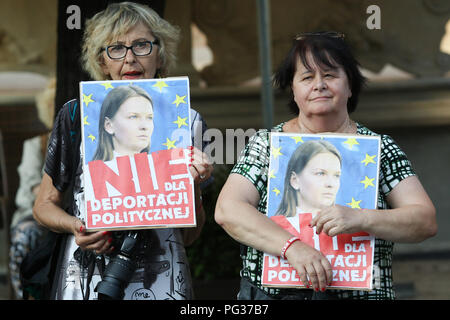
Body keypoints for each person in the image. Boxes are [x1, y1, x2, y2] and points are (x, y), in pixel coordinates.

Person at [215, 31, 437, 300]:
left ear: (350, 86)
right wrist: (292, 247)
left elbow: (425, 220)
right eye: (307, 77)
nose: (319, 85)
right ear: (294, 90)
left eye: (330, 75)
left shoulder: (380, 148)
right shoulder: (267, 145)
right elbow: (228, 210)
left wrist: (362, 218)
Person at [33, 2, 213, 300]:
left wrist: (193, 189)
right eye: (115, 48)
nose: (130, 58)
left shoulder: (188, 121)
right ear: (102, 62)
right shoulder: (76, 115)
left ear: (160, 54)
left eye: (141, 45)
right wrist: (76, 226)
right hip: (88, 280)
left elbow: (190, 237)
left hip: (163, 281)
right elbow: (43, 206)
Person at [9, 77, 55, 299]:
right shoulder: (35, 145)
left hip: (75, 218)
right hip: (36, 217)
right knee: (23, 236)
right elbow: (34, 188)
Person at [275, 140, 342, 217]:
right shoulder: (273, 225)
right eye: (320, 173)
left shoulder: (349, 226)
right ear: (295, 180)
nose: (331, 184)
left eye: (336, 175)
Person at [92, 85, 154, 161]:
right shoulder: (89, 172)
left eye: (149, 117)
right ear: (109, 126)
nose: (145, 126)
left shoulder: (162, 168)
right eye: (133, 117)